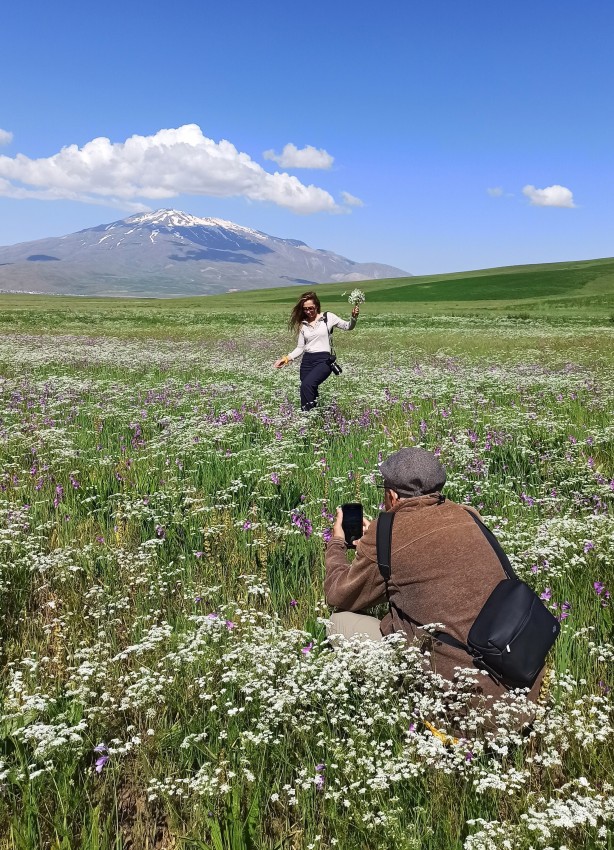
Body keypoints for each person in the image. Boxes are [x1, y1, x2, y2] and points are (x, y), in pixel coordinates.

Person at [324, 446, 545, 727]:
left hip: (469, 712)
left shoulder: (387, 532)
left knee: (338, 623)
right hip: (523, 685)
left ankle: (399, 710)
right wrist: (376, 545)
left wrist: (337, 544)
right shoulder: (469, 515)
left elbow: (339, 595)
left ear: (391, 495)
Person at [274, 291, 359, 411]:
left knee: (307, 385)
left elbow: (348, 326)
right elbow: (300, 348)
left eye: (311, 308)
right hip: (307, 362)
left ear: (317, 306)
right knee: (309, 390)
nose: (308, 311)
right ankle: (313, 419)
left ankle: (307, 415)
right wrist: (286, 359)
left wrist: (354, 317)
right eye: (305, 309)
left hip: (323, 361)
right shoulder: (303, 324)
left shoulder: (328, 317)